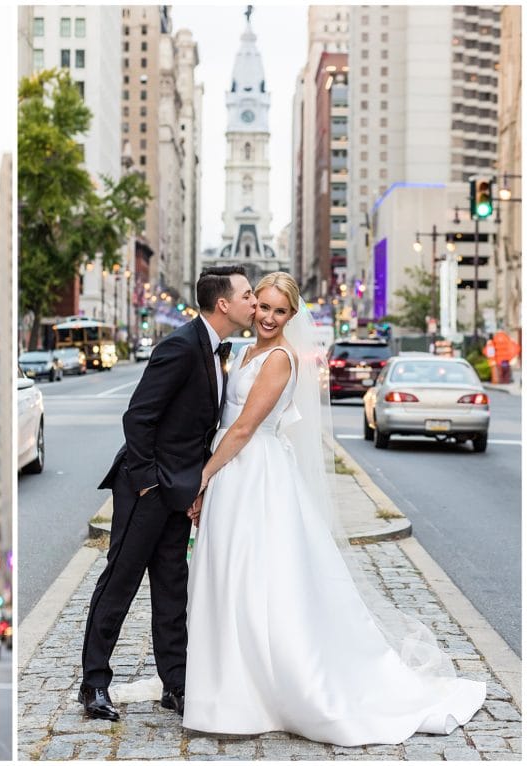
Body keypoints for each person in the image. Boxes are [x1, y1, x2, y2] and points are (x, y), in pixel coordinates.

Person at [182, 272, 485, 745]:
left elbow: (242, 428)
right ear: (252, 304)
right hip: (230, 473)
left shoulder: (280, 359)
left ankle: (261, 691)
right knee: (225, 575)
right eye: (262, 306)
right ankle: (226, 686)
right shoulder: (241, 352)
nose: (267, 317)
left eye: (280, 312)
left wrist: (200, 476)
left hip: (253, 471)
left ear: (291, 316)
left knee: (257, 577)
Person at [79, 266, 257, 721]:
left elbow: (199, 430)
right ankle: (94, 684)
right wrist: (147, 482)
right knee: (119, 583)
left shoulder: (218, 351)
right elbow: (138, 418)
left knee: (172, 588)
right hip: (148, 487)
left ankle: (175, 685)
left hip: (180, 490)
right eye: (248, 295)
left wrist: (193, 485)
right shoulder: (179, 347)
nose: (254, 303)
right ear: (224, 304)